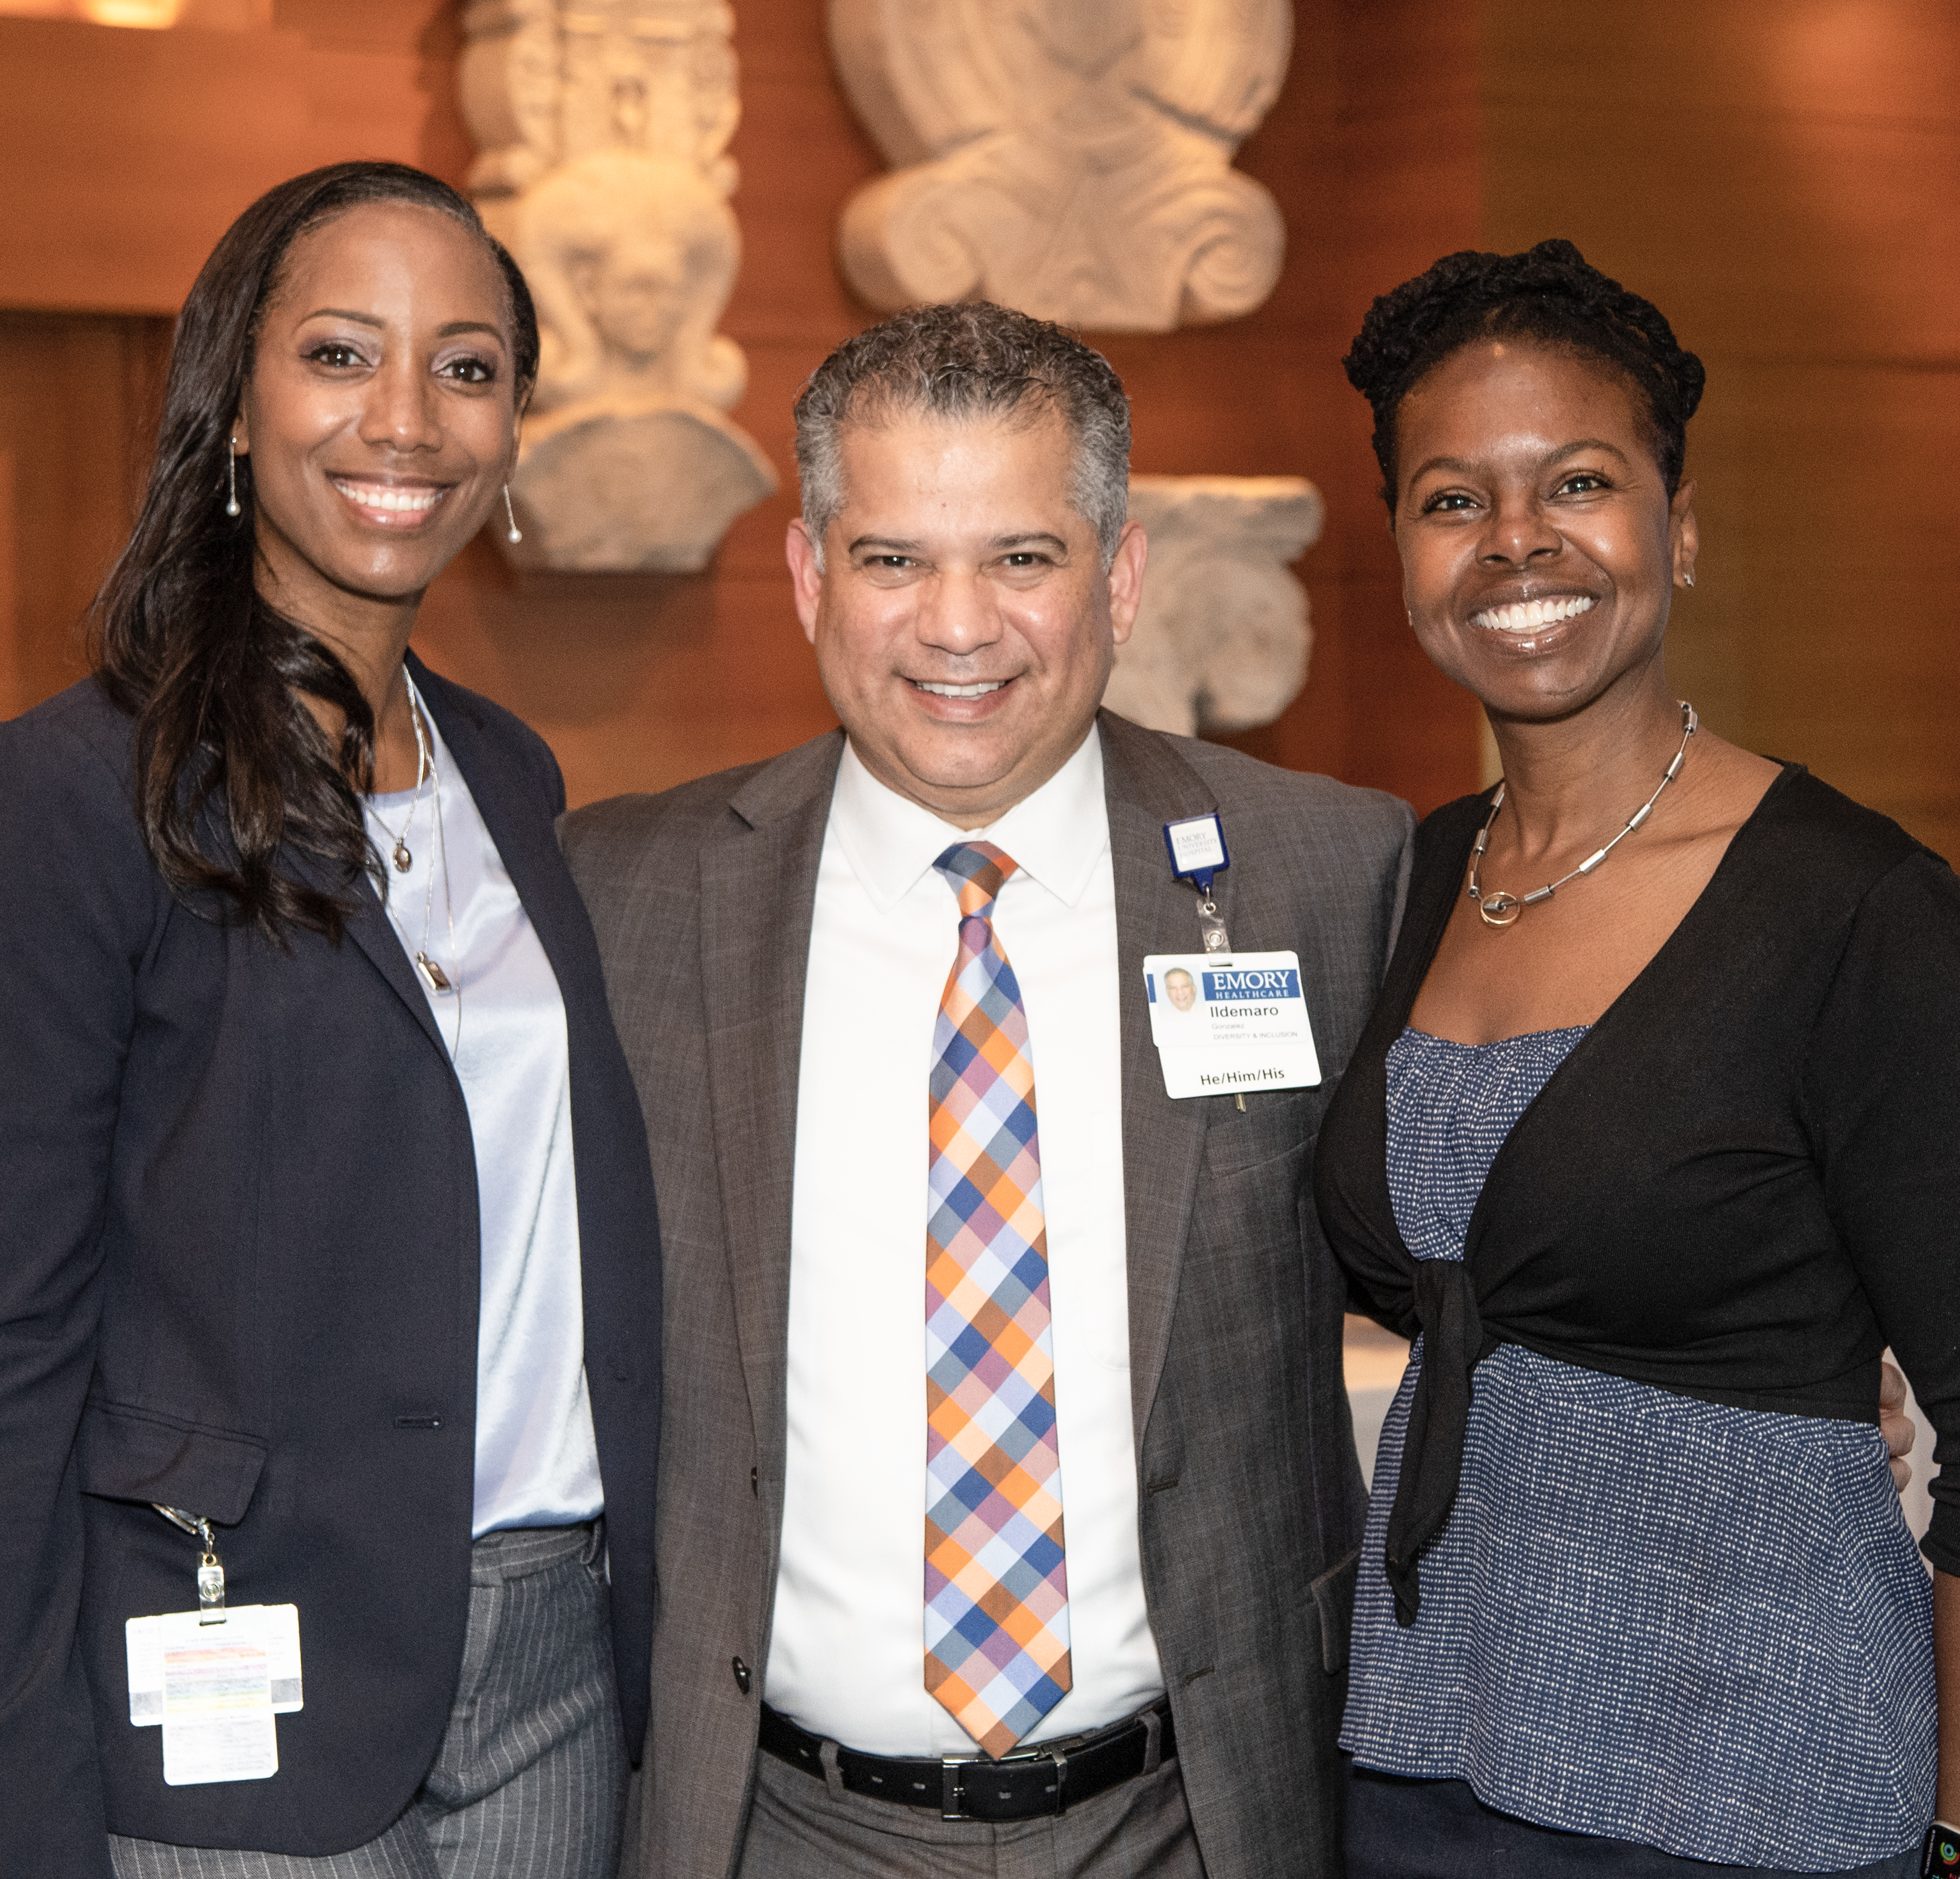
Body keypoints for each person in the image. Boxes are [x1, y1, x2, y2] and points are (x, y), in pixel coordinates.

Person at [0, 162, 662, 1878]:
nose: (407, 420)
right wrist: (0, 1820)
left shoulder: (512, 778)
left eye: (465, 367)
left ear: (517, 426)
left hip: (550, 1666)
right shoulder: (58, 804)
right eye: (339, 355)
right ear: (234, 403)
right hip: (231, 1649)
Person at [559, 303, 1415, 1879]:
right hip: (774, 1825)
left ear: (1124, 576)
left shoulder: (1328, 870)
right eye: (892, 560)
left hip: (1198, 1817)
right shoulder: (625, 898)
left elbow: (1482, 1248)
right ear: (812, 577)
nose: (959, 626)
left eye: (1023, 557)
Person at [1317, 241, 1960, 1879]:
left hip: (1750, 1784)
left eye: (1578, 482)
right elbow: (1474, 1271)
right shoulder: (1411, 877)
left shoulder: (1854, 908)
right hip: (1415, 1748)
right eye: (1454, 499)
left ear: (1678, 527)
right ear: (1400, 556)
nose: (1517, 540)